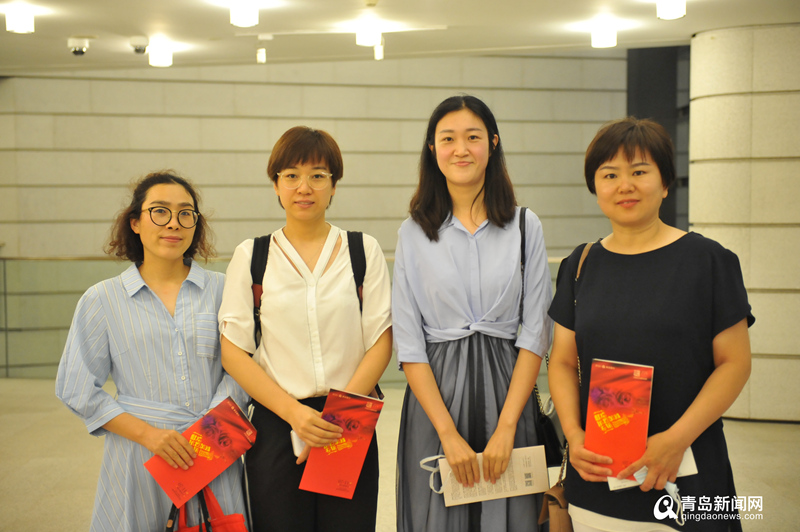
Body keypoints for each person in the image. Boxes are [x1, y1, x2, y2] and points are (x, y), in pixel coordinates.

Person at [548, 117, 753, 532]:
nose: (625, 186)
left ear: (664, 183)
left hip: (689, 471)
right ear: (595, 187)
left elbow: (734, 363)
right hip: (599, 475)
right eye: (610, 175)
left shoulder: (708, 261)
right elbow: (563, 361)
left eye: (639, 172)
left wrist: (675, 439)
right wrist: (574, 433)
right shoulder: (580, 265)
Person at [218, 126, 392, 532]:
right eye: (291, 175)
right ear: (275, 184)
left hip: (347, 421)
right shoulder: (252, 255)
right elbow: (233, 352)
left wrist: (335, 418)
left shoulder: (362, 250)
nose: (304, 187)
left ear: (334, 186)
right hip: (278, 422)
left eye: (318, 175)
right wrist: (295, 415)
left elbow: (381, 340)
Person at [393, 95, 553, 532]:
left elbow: (535, 331)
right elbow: (409, 342)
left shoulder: (525, 225)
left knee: (513, 515)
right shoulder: (412, 232)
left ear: (493, 143)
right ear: (432, 148)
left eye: (473, 137)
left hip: (509, 391)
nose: (460, 149)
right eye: (448, 139)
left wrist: (507, 427)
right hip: (436, 398)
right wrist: (446, 433)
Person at [55, 171, 248, 531]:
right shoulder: (102, 299)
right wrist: (149, 435)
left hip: (212, 448)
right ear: (135, 222)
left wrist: (206, 431)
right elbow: (76, 387)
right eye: (160, 211)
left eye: (185, 213)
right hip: (139, 454)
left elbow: (243, 369)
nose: (173, 223)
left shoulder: (223, 290)